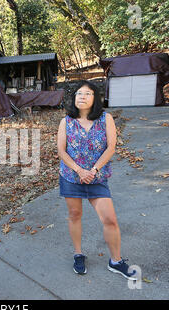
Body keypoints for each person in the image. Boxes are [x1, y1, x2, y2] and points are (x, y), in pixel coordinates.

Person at [57, 80, 137, 280]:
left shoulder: (105, 119)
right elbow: (61, 150)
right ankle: (78, 254)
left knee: (110, 219)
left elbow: (111, 147)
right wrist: (79, 171)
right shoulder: (66, 121)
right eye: (78, 94)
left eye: (87, 94)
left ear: (95, 99)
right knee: (75, 215)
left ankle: (116, 261)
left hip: (97, 177)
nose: (82, 97)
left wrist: (92, 170)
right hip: (71, 177)